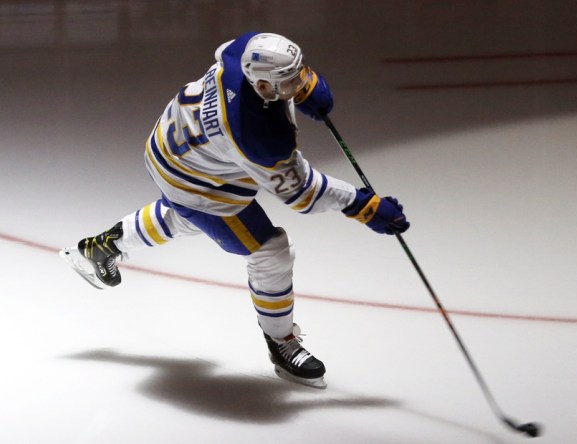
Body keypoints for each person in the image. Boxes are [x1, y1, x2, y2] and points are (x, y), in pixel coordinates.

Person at [59, 32, 410, 389]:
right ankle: (280, 341)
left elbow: (235, 52)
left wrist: (304, 84)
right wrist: (362, 205)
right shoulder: (257, 135)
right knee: (270, 251)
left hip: (171, 145)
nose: (297, 84)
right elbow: (302, 193)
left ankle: (104, 246)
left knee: (187, 217)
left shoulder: (246, 49)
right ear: (260, 84)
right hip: (198, 181)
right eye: (288, 82)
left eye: (298, 74)